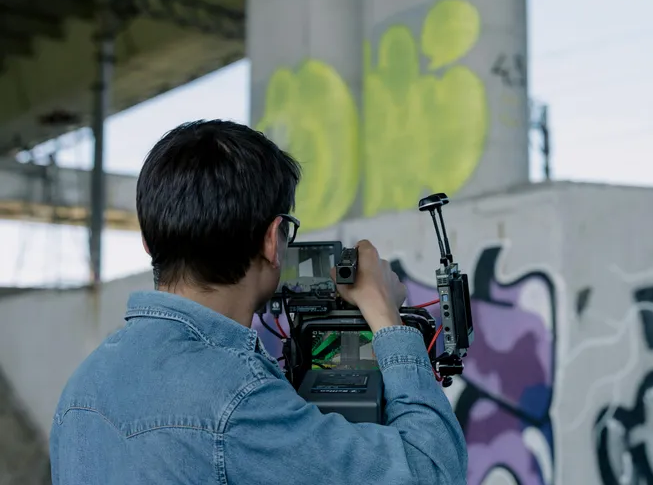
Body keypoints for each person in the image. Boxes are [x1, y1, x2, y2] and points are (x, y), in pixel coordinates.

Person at [49, 120, 467, 484]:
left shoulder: (81, 389)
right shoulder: (238, 399)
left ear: (148, 240)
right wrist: (384, 315)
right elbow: (430, 470)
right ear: (273, 240)